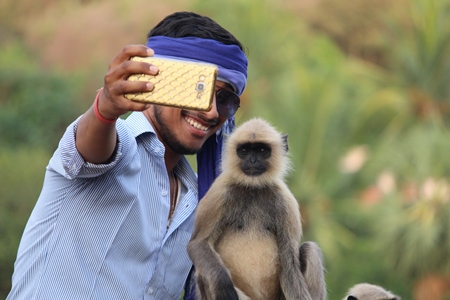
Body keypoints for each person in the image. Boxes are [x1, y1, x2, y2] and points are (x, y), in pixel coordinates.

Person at [7, 11, 248, 300]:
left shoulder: (200, 199)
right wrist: (105, 108)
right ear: (155, 77)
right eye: (199, 90)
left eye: (224, 99)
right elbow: (91, 151)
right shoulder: (115, 142)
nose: (210, 112)